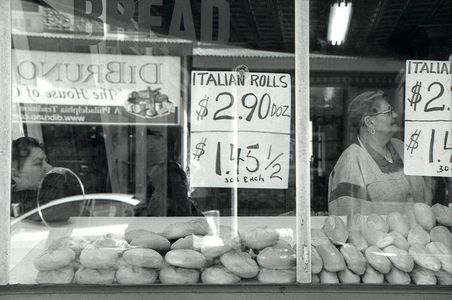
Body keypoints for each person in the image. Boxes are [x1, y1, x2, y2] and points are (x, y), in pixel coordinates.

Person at [328, 90, 434, 216]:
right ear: (369, 122)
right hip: (381, 235)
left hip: (417, 233)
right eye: (388, 112)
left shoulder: (400, 147)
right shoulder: (352, 160)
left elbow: (425, 195)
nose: (395, 115)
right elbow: (349, 217)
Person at [11, 137, 82, 222]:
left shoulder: (51, 190)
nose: (49, 167)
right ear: (15, 175)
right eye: (38, 163)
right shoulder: (6, 206)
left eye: (46, 161)